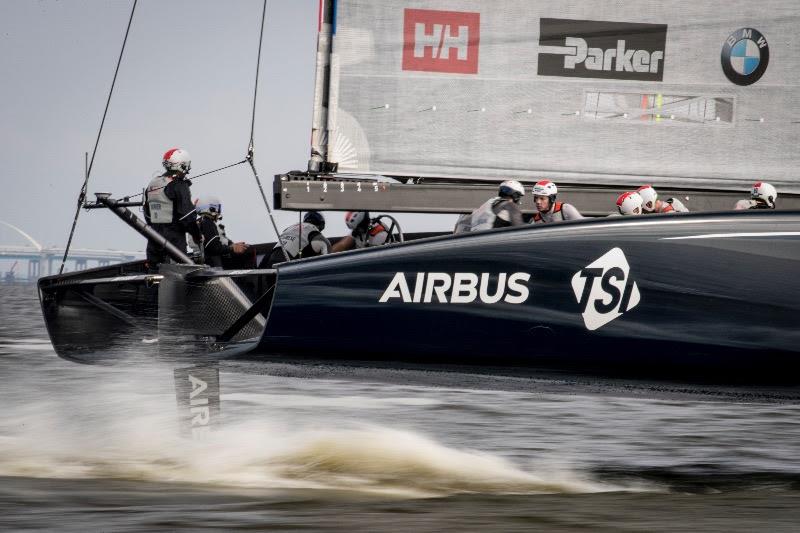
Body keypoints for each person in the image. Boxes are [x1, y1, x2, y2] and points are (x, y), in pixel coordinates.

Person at [143, 148, 202, 268]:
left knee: (155, 276)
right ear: (183, 165)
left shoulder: (153, 184)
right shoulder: (179, 185)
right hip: (174, 245)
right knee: (177, 277)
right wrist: (197, 236)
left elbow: (147, 215)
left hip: (153, 244)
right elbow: (187, 217)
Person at [194, 196, 249, 268]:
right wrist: (233, 248)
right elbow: (214, 247)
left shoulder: (199, 222)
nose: (218, 211)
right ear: (211, 208)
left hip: (203, 261)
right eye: (217, 208)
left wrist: (231, 245)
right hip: (212, 266)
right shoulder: (207, 222)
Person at [263, 211, 330, 268]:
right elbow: (325, 248)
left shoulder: (289, 228)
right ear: (321, 224)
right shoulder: (313, 231)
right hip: (286, 266)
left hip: (269, 262)